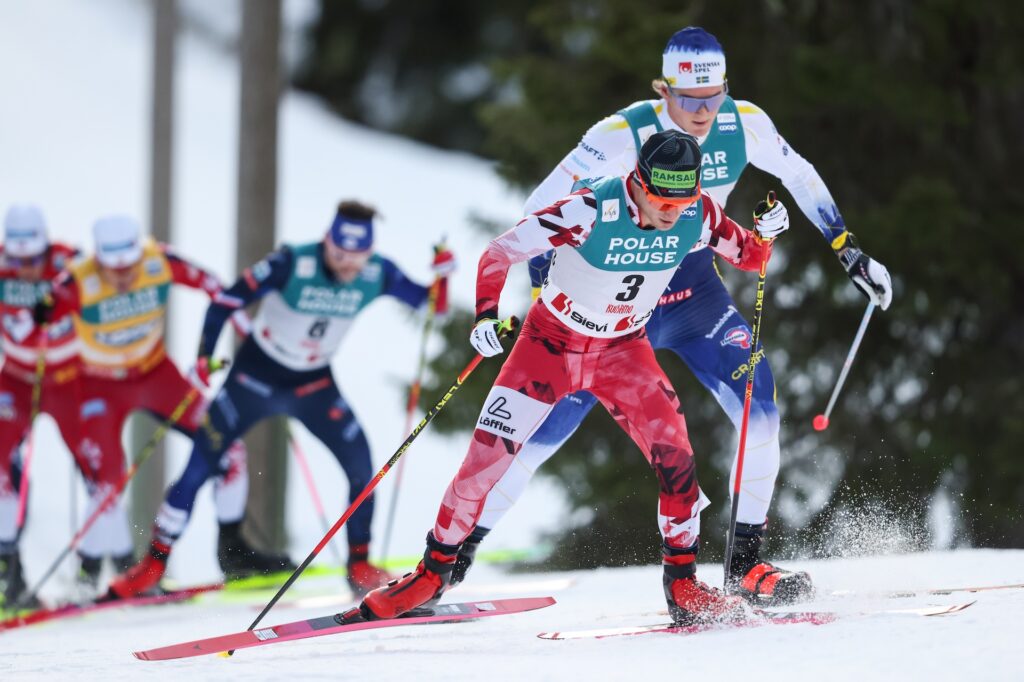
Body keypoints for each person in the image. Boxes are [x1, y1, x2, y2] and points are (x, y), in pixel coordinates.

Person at [451, 26, 894, 605]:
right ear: (664, 90)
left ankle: (746, 567)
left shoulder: (745, 123)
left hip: (695, 296)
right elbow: (540, 207)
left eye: (713, 97)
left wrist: (847, 248)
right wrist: (543, 292)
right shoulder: (623, 132)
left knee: (762, 405)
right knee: (540, 436)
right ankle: (453, 559)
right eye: (688, 100)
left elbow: (798, 173)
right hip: (607, 310)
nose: (703, 112)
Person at [359, 130, 788, 626]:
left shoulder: (698, 214)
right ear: (637, 183)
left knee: (677, 460)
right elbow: (500, 253)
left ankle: (683, 582)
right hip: (549, 345)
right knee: (485, 460)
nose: (671, 212)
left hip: (623, 350)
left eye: (683, 199)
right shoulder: (588, 209)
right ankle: (432, 573)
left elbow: (751, 258)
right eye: (660, 198)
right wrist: (484, 316)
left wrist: (766, 232)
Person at [107, 200, 456, 599]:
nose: (346, 266)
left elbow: (433, 307)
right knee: (200, 463)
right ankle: (152, 564)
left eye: (356, 259)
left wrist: (442, 279)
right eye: (339, 254)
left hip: (313, 384)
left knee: (361, 464)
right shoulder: (292, 262)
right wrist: (204, 356)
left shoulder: (378, 271)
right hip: (254, 377)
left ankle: (359, 564)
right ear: (327, 241)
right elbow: (225, 302)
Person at [38, 215, 259, 593]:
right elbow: (38, 314)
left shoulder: (159, 261)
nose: (123, 276)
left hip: (156, 376)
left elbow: (216, 288)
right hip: (99, 385)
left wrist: (246, 332)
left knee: (230, 447)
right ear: (99, 260)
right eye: (113, 268)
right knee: (106, 479)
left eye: (130, 266)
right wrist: (42, 311)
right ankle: (87, 578)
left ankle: (233, 554)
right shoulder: (78, 279)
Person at [0, 204, 82, 607]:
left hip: (68, 378)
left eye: (34, 259)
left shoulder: (70, 260)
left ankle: (102, 569)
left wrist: (62, 300)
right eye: (18, 260)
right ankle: (9, 575)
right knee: (6, 472)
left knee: (96, 463)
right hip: (16, 379)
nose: (27, 268)